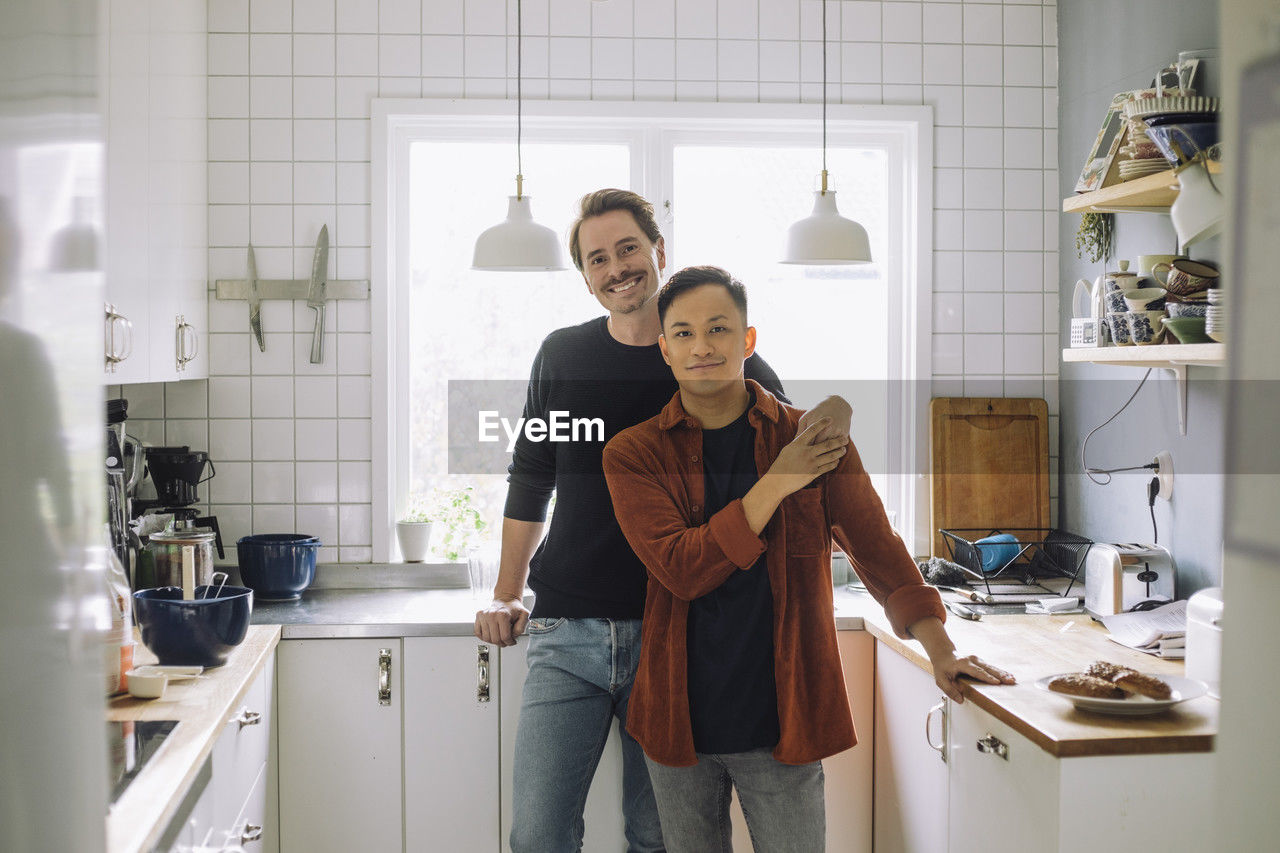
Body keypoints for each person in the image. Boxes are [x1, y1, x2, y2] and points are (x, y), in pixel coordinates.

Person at [473, 190, 854, 853]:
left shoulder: (716, 356)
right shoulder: (561, 358)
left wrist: (838, 415)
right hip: (567, 632)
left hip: (672, 636)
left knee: (656, 836)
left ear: (659, 252)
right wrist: (507, 590)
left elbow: (797, 456)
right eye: (598, 258)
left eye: (627, 249)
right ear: (588, 279)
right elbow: (531, 473)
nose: (616, 267)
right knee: (536, 834)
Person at [601, 266, 1015, 852]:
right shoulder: (633, 454)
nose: (703, 346)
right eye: (685, 333)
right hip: (677, 726)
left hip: (784, 723)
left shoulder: (812, 437)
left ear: (747, 339)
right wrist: (778, 481)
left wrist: (941, 651)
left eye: (719, 328)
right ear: (664, 348)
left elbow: (877, 548)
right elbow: (683, 569)